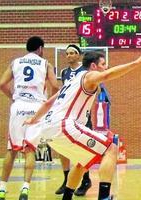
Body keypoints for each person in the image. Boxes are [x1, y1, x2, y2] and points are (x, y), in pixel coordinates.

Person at [23, 46, 141, 200]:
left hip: (48, 130)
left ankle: (67, 197)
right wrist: (135, 63)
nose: (105, 67)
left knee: (82, 162)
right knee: (111, 148)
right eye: (103, 64)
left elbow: (48, 103)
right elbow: (109, 75)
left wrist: (33, 119)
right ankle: (104, 197)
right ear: (93, 66)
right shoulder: (89, 76)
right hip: (64, 125)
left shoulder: (71, 81)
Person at [0, 36, 59, 200]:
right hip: (37, 108)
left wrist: (13, 97)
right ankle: (25, 189)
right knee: (29, 149)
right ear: (40, 49)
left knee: (12, 149)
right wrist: (49, 104)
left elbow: (2, 84)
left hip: (19, 106)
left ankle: (2, 190)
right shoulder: (46, 64)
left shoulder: (15, 62)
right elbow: (55, 86)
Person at [55, 44, 92, 196]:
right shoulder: (64, 72)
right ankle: (66, 180)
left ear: (79, 55)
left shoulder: (85, 72)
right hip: (67, 116)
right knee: (62, 147)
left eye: (73, 53)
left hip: (82, 116)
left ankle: (85, 179)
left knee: (81, 150)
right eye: (67, 53)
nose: (69, 56)